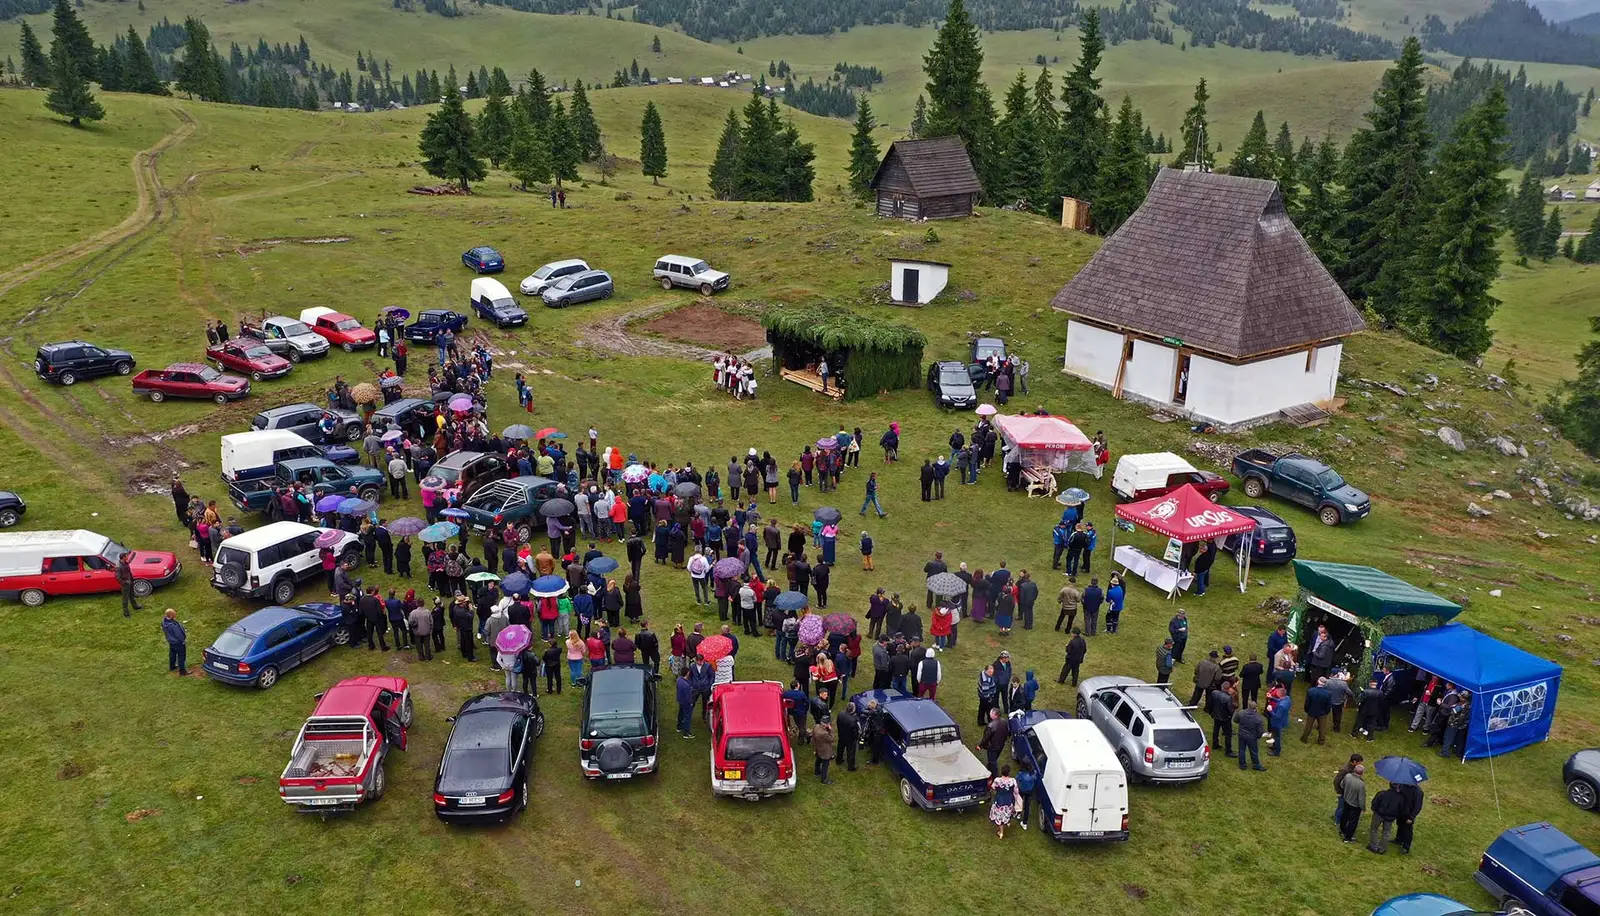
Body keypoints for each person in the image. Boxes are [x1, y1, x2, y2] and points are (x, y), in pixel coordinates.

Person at [1234, 701, 1267, 771]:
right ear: (1255, 708)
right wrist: (1258, 736)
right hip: (1252, 737)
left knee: (1241, 750)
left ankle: (1242, 765)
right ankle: (1256, 765)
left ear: (1248, 706)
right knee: (1253, 751)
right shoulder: (1258, 719)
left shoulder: (1241, 712)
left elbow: (1235, 720)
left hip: (1242, 734)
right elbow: (1260, 731)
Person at [1394, 779, 1424, 854]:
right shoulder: (1403, 785)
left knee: (1407, 830)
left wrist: (1412, 817)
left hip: (1409, 814)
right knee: (1400, 825)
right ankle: (1398, 839)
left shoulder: (1418, 792)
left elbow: (1417, 807)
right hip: (1401, 811)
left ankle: (1406, 847)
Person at [1339, 764, 1367, 843]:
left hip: (1346, 800)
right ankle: (1348, 837)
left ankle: (1342, 830)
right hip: (1355, 805)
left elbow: (1341, 785)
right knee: (1353, 821)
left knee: (1345, 816)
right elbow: (1361, 798)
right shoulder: (1361, 784)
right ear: (1361, 773)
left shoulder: (1347, 776)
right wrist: (1363, 808)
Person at [989, 765, 1019, 839]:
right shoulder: (1013, 780)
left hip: (1000, 801)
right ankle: (1008, 822)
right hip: (1009, 800)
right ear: (1009, 772)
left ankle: (1001, 833)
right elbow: (1016, 791)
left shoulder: (997, 780)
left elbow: (993, 787)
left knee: (1000, 817)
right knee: (1008, 813)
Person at [979, 708, 1009, 776]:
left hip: (992, 747)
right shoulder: (1004, 721)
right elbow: (1007, 732)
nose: (989, 714)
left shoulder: (991, 725)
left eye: (990, 713)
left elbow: (986, 738)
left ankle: (995, 776)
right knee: (994, 759)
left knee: (993, 762)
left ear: (994, 715)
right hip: (1001, 745)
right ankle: (990, 767)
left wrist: (980, 746)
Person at [1302, 677, 1333, 745]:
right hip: (1322, 713)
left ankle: (1304, 738)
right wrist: (1326, 712)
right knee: (1322, 728)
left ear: (1318, 682)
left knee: (1308, 726)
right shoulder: (1328, 694)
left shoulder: (1311, 691)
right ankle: (1321, 741)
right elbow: (1328, 705)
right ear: (1325, 684)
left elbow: (1307, 703)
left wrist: (1307, 710)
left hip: (1311, 711)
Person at [1266, 684, 1292, 756]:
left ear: (1279, 694)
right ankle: (1274, 746)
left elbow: (1277, 716)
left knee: (1277, 737)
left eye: (1277, 692)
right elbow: (1279, 700)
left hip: (1277, 723)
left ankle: (1276, 751)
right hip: (1283, 719)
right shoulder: (1287, 698)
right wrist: (1272, 698)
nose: (1276, 693)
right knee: (1275, 735)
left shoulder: (1281, 706)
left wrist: (1270, 710)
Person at [810, 714, 836, 785]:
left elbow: (813, 737)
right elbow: (832, 739)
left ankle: (817, 772)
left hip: (818, 748)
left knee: (818, 760)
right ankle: (824, 779)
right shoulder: (824, 733)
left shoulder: (816, 726)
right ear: (825, 724)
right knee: (825, 765)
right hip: (825, 751)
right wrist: (830, 730)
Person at [835, 702, 860, 772]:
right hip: (850, 739)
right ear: (853, 709)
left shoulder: (840, 714)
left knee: (840, 749)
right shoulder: (853, 720)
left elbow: (838, 724)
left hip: (841, 735)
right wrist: (856, 738)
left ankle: (838, 761)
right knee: (851, 753)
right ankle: (851, 767)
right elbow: (855, 732)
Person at [161, 609, 187, 675]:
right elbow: (179, 635)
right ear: (171, 615)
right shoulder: (173, 625)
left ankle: (172, 667)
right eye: (174, 614)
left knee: (172, 654)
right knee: (181, 656)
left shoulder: (164, 622)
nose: (175, 615)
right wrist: (183, 641)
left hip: (171, 641)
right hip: (178, 643)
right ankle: (182, 671)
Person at [117, 552, 142, 616]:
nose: (127, 557)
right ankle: (126, 612)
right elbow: (118, 577)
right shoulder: (119, 566)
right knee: (125, 599)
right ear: (123, 558)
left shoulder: (125, 563)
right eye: (126, 556)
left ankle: (135, 606)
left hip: (130, 581)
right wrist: (124, 583)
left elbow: (128, 571)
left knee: (132, 595)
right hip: (125, 584)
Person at [675, 669, 695, 738]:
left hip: (680, 700)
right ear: (687, 673)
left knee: (681, 713)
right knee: (687, 717)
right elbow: (688, 696)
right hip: (686, 703)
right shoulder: (686, 685)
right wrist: (691, 703)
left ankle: (679, 727)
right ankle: (686, 733)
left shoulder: (679, 680)